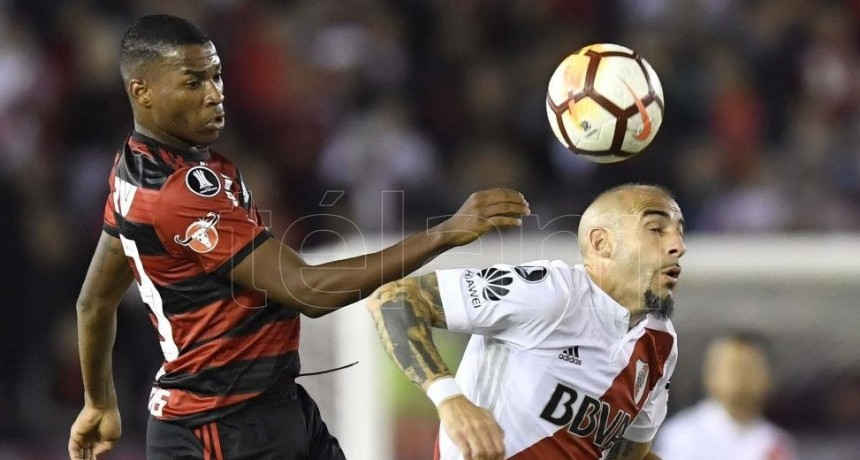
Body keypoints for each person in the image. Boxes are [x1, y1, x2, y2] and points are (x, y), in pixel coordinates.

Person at [66, 14, 529, 460]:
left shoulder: (140, 166)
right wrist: (447, 233)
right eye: (193, 82)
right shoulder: (174, 192)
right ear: (141, 92)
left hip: (273, 406)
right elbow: (306, 290)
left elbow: (94, 301)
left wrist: (99, 402)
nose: (215, 95)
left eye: (217, 76)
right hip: (219, 429)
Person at [367, 183, 686, 460]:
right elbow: (394, 300)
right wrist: (449, 399)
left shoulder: (660, 343)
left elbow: (628, 455)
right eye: (656, 229)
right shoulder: (550, 292)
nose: (678, 246)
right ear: (602, 243)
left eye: (679, 232)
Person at [653, 331, 797, 460]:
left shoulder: (776, 442)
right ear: (710, 375)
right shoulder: (683, 435)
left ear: (768, 377)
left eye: (749, 368)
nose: (741, 377)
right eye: (733, 367)